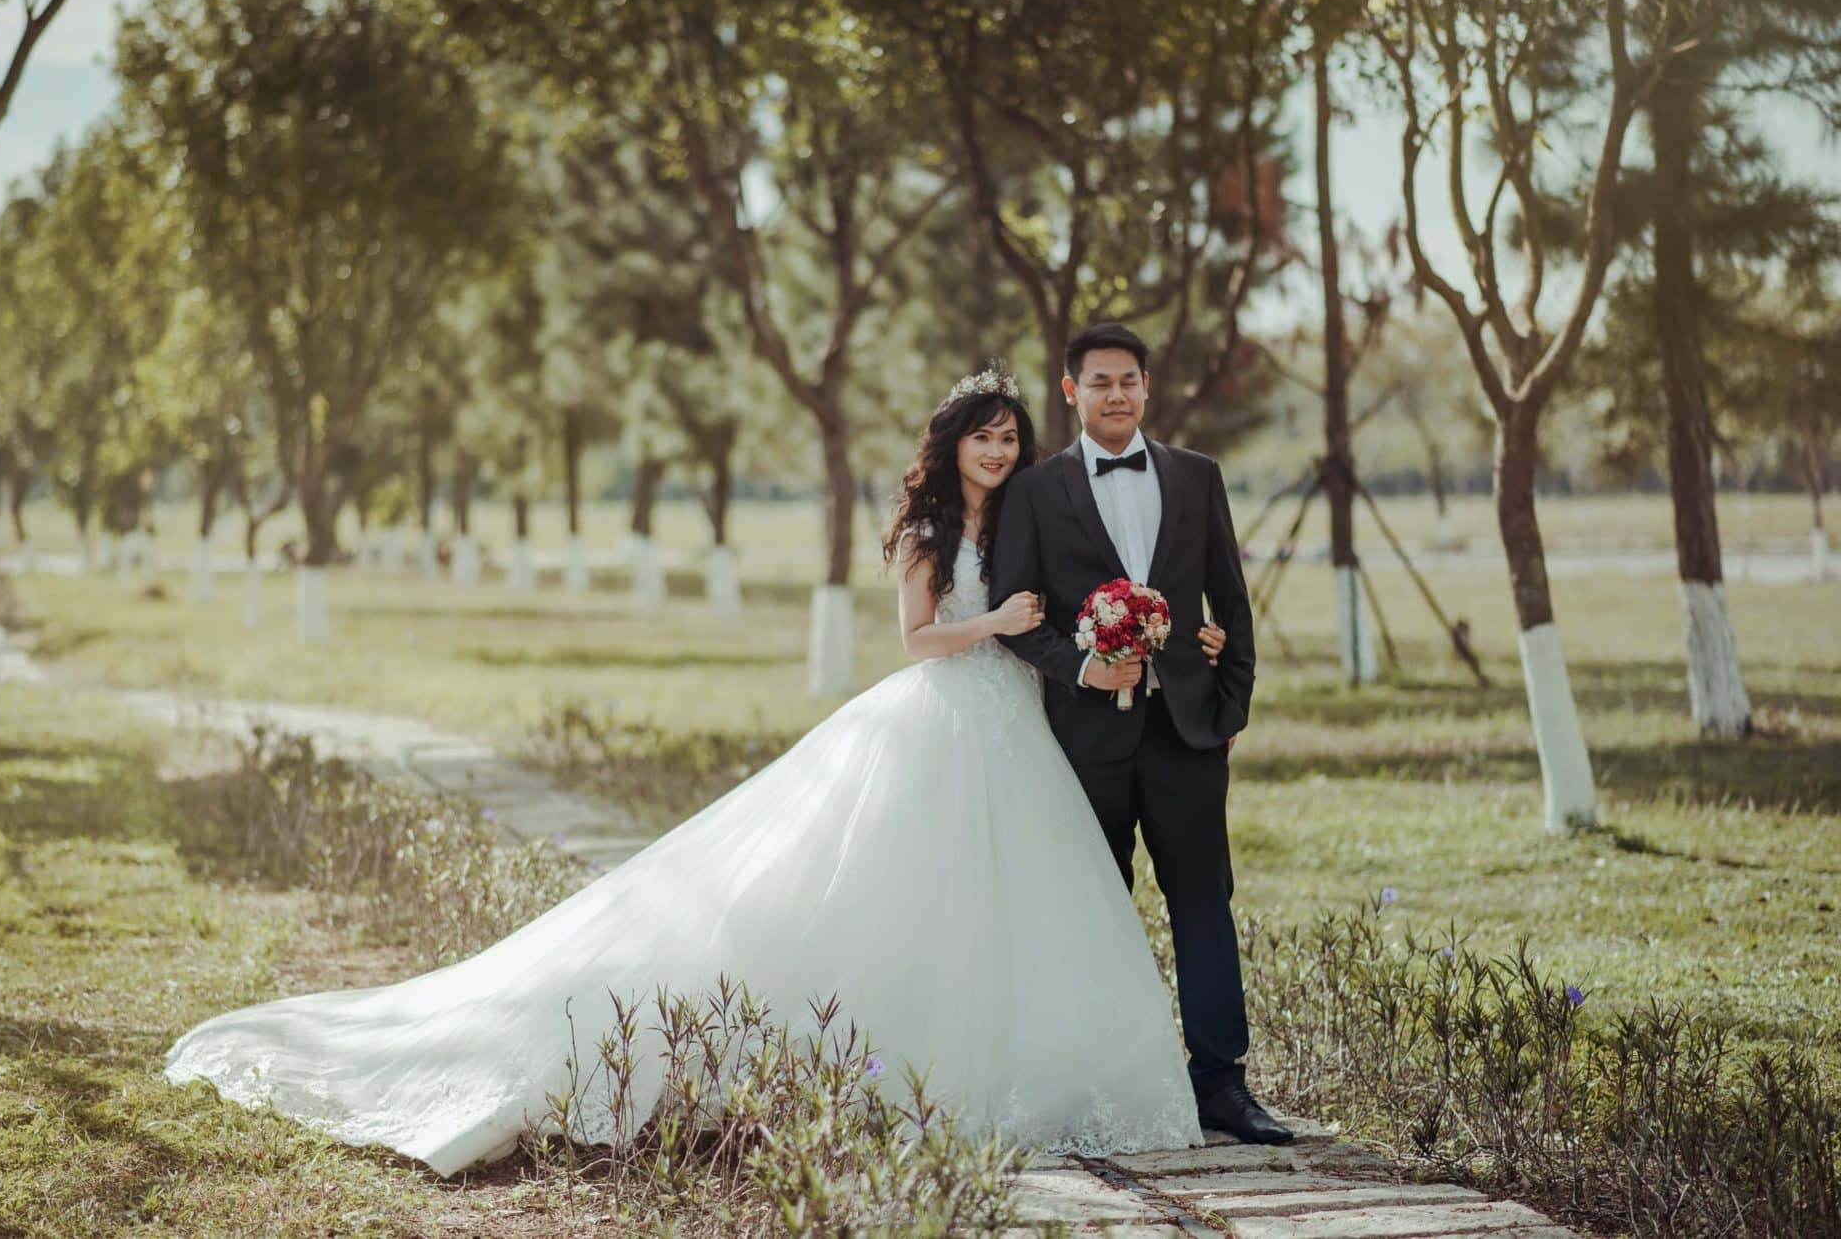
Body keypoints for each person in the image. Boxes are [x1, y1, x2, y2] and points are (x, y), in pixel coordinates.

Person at [164, 366, 1227, 1175]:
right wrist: (989, 619)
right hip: (937, 715)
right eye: (982, 438)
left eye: (1007, 439)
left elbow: (1072, 603)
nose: (997, 453)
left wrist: (1152, 635)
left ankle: (1016, 1077)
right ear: (950, 444)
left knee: (1006, 906)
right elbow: (910, 639)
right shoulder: (927, 526)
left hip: (1016, 728)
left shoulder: (1029, 514)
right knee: (869, 892)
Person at [988, 322, 1290, 1145]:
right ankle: (1098, 1083)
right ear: (1070, 391)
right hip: (1085, 741)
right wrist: (1082, 669)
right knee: (1095, 908)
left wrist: (1229, 706)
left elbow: (1232, 602)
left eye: (1128, 381)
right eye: (1099, 382)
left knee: (1203, 903)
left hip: (1188, 731)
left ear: (1147, 387)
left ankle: (1222, 1086)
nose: (1115, 395)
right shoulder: (1036, 491)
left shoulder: (1198, 477)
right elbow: (1018, 617)